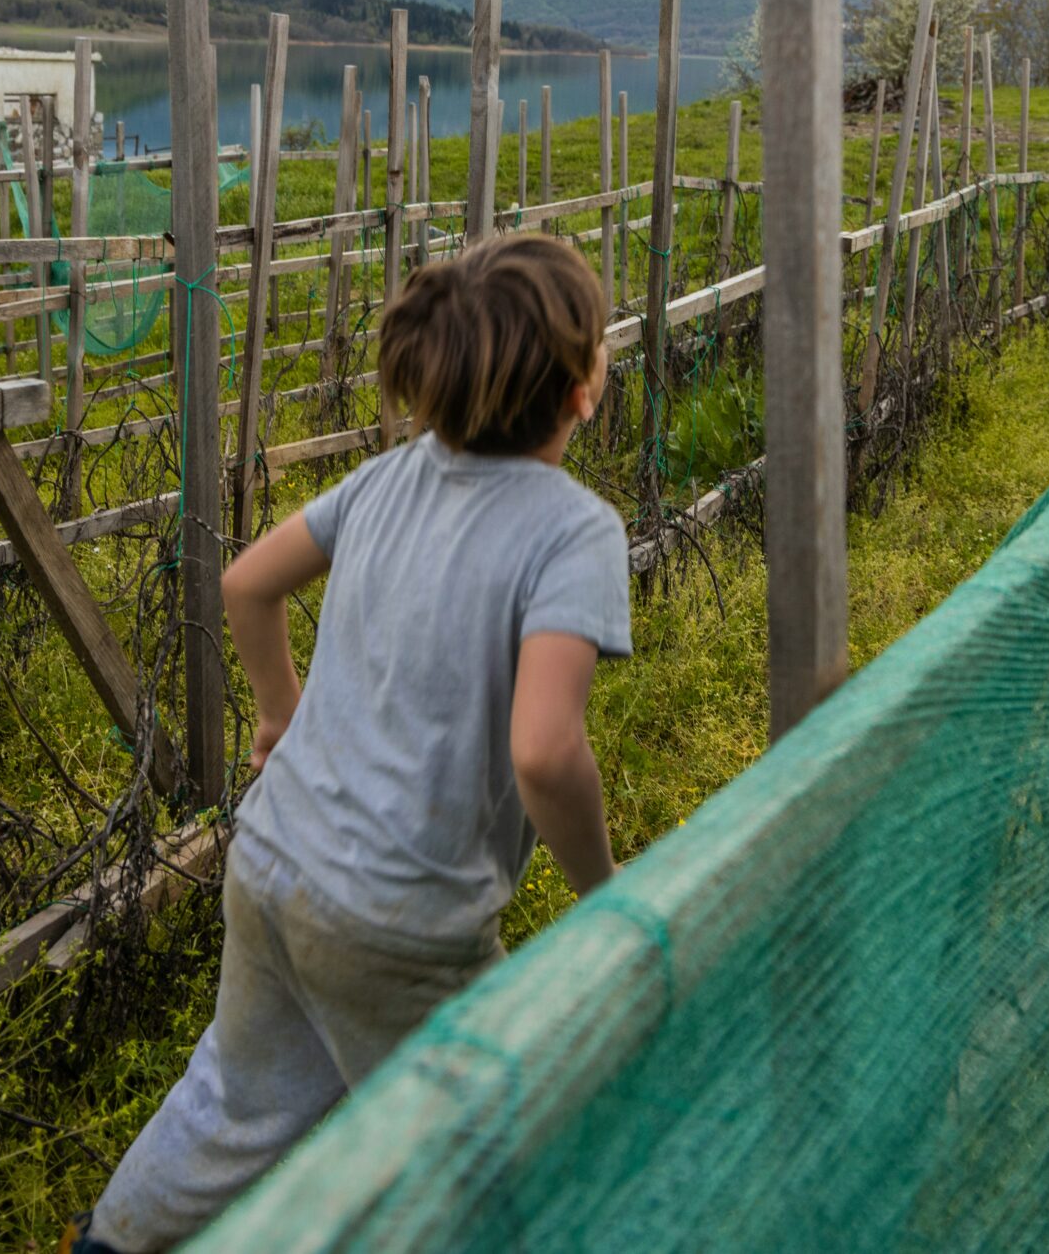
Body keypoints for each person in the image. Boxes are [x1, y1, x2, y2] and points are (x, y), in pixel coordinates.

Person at [68, 233, 633, 1253]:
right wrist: (610, 892)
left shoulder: (386, 479)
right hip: (399, 912)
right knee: (474, 1162)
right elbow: (546, 751)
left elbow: (247, 583)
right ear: (582, 385)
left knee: (230, 1104)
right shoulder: (572, 531)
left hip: (272, 858)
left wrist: (277, 710)